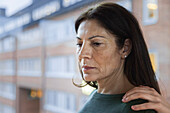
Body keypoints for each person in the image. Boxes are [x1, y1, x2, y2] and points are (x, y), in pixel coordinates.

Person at [72, 2, 165, 113]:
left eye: (96, 43)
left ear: (125, 48)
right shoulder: (96, 95)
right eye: (79, 44)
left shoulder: (138, 108)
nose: (82, 54)